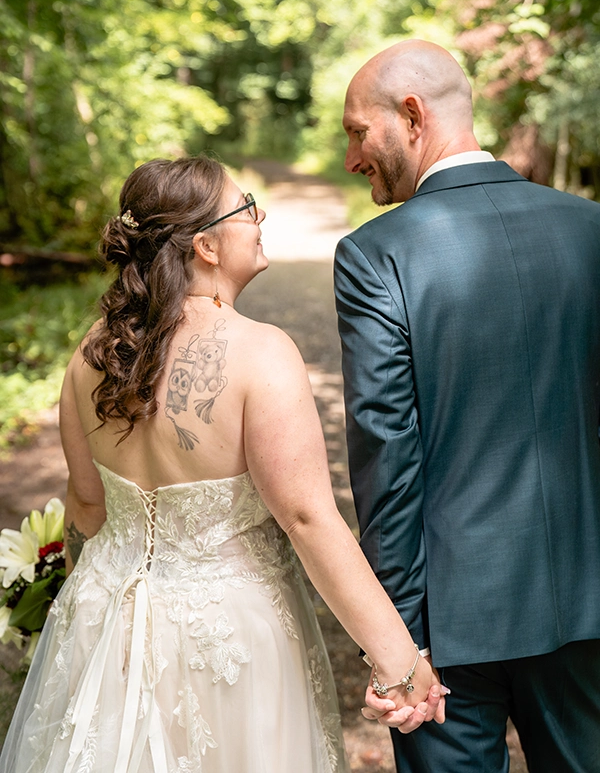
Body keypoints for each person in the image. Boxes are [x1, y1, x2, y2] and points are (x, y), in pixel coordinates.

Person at [0, 155, 444, 773]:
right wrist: (398, 660)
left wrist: (79, 610)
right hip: (227, 639)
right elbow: (309, 518)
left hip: (103, 625)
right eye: (246, 207)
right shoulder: (262, 354)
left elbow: (86, 508)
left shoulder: (91, 354)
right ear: (205, 246)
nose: (259, 216)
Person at [334, 40, 600, 773]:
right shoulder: (591, 228)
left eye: (358, 132)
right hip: (588, 603)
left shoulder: (375, 254)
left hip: (450, 625)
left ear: (411, 116)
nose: (353, 158)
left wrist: (400, 641)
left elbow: (387, 454)